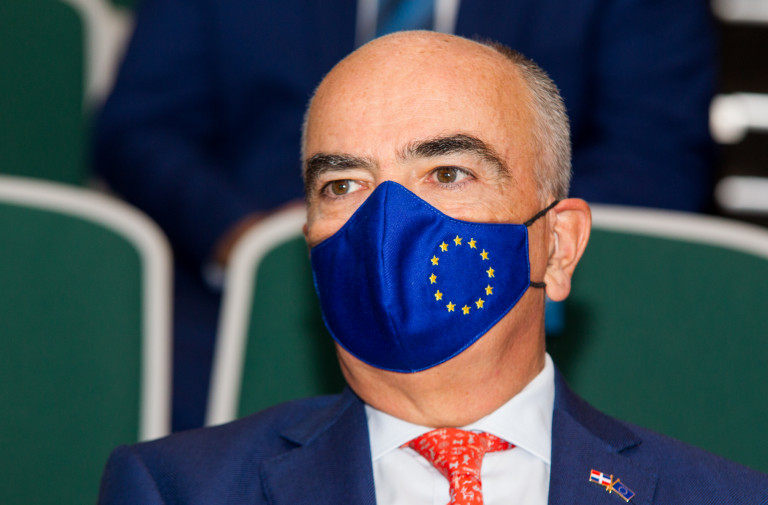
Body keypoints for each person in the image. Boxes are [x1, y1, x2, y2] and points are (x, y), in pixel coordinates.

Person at [98, 32, 767, 504]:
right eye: (342, 185)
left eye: (448, 173)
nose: (386, 223)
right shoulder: (176, 490)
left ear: (557, 245)